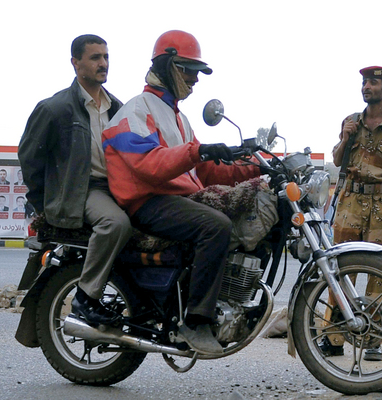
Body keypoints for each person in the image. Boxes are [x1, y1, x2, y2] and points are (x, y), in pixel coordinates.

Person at [102, 30, 260, 354]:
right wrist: (198, 151)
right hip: (149, 202)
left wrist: (254, 166)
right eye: (188, 69)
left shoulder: (178, 117)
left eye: (196, 71)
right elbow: (148, 164)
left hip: (176, 199)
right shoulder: (137, 110)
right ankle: (196, 322)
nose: (195, 79)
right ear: (167, 64)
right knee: (215, 225)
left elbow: (206, 172)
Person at [19, 34, 132, 327]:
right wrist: (48, 202)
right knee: (115, 224)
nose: (103, 63)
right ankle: (86, 298)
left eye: (106, 57)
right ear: (75, 63)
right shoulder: (55, 108)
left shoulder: (117, 108)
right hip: (84, 190)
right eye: (95, 58)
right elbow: (30, 158)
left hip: (117, 188)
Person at [323, 66, 382, 361]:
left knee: (381, 273)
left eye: (373, 83)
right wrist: (345, 138)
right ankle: (333, 338)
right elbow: (337, 160)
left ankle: (373, 341)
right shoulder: (350, 122)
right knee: (340, 269)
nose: (366, 87)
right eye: (364, 82)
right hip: (350, 202)